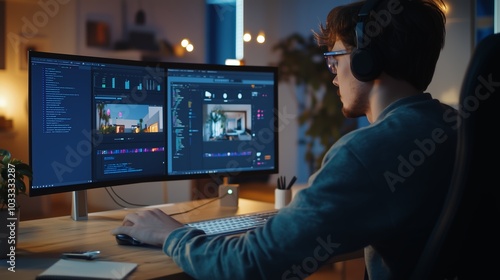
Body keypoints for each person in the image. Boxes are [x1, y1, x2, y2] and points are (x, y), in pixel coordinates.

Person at [112, 0, 456, 279]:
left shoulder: (367, 153)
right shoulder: (453, 126)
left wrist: (172, 234)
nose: (333, 77)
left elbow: (252, 264)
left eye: (335, 60)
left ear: (366, 62)